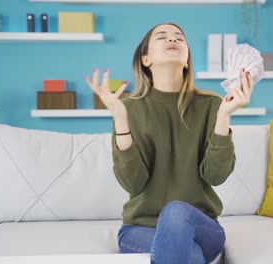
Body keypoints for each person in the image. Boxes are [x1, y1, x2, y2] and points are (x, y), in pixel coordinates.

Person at [85, 23, 255, 264]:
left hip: (202, 227)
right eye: (162, 37)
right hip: (141, 229)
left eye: (179, 38)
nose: (172, 40)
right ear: (146, 59)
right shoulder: (128, 109)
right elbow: (132, 182)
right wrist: (121, 119)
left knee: (175, 211)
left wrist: (224, 116)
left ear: (187, 61)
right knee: (189, 256)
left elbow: (216, 176)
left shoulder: (212, 105)